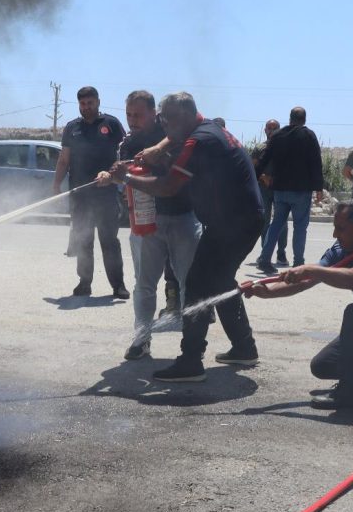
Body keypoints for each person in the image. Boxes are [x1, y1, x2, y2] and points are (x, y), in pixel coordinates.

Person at [110, 92, 265, 382]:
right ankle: (244, 347)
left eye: (165, 123)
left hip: (232, 224)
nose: (164, 129)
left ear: (179, 119)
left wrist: (127, 178)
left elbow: (168, 187)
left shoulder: (199, 141)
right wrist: (159, 148)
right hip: (239, 220)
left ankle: (190, 361)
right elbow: (174, 143)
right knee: (220, 281)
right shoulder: (208, 129)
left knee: (196, 284)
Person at [244, 200, 353, 408]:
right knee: (323, 366)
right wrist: (265, 292)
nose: (335, 235)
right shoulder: (342, 249)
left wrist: (311, 269)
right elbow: (306, 281)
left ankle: (350, 394)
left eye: (341, 229)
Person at [98, 90, 201, 361]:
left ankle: (191, 348)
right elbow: (123, 175)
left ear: (154, 113)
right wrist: (111, 176)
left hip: (181, 216)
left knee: (189, 283)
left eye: (138, 115)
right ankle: (141, 341)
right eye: (129, 114)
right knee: (144, 284)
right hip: (145, 221)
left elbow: (180, 164)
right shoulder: (128, 143)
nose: (132, 120)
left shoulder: (173, 132)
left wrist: (160, 154)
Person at [53, 86, 128, 298]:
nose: (87, 107)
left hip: (106, 194)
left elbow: (123, 155)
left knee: (109, 241)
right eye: (83, 104)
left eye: (90, 103)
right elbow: (64, 159)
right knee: (84, 240)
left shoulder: (111, 124)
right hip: (80, 195)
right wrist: (56, 184)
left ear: (98, 102)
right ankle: (84, 283)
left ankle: (118, 286)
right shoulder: (71, 128)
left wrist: (116, 178)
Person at [254, 106, 324, 273]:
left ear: (290, 118)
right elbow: (316, 162)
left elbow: (264, 158)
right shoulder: (308, 135)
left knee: (276, 224)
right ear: (304, 119)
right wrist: (319, 187)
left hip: (280, 190)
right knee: (300, 226)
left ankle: (264, 259)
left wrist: (255, 176)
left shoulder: (278, 135)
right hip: (301, 190)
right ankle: (298, 263)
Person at [251, 118, 288, 266]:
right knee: (264, 221)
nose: (271, 131)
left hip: (280, 188)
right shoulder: (259, 147)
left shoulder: (286, 147)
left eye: (275, 128)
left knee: (282, 222)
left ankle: (281, 254)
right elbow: (252, 168)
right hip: (263, 188)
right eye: (269, 128)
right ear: (265, 130)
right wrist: (262, 177)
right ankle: (265, 254)